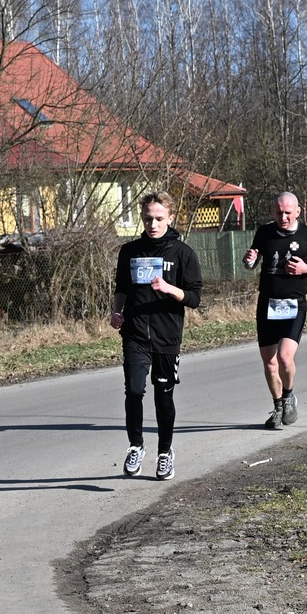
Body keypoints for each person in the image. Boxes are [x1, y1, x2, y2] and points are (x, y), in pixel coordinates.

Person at [109, 192, 202, 480]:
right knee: (134, 390)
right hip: (135, 332)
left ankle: (165, 452)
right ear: (142, 217)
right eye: (148, 218)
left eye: (159, 219)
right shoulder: (129, 251)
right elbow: (122, 288)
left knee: (163, 394)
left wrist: (169, 289)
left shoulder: (183, 253)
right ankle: (136, 446)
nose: (153, 224)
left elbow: (195, 297)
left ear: (170, 218)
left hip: (167, 335)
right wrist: (116, 312)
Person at [241, 192, 307, 429]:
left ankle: (289, 395)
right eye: (279, 212)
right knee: (270, 363)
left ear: (298, 211)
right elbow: (252, 262)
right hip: (267, 304)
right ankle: (278, 406)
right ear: (273, 211)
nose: (283, 216)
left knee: (284, 357)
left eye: (288, 212)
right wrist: (248, 260)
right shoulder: (264, 233)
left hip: (294, 304)